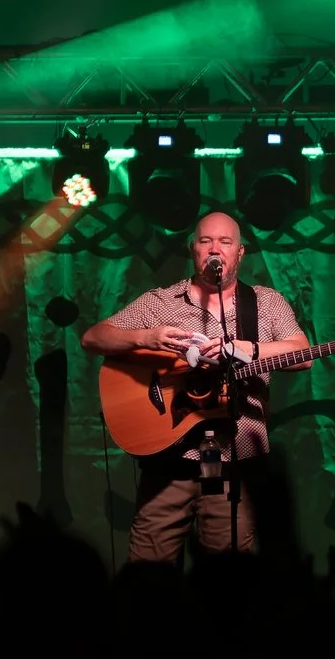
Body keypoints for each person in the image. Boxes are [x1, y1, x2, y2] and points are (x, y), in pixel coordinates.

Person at [81, 210, 309, 565]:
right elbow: (93, 338)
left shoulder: (265, 303)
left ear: (240, 252)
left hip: (236, 466)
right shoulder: (160, 302)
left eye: (225, 242)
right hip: (168, 462)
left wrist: (251, 349)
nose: (214, 250)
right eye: (206, 241)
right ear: (193, 250)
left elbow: (302, 354)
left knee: (228, 581)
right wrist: (147, 337)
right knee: (149, 578)